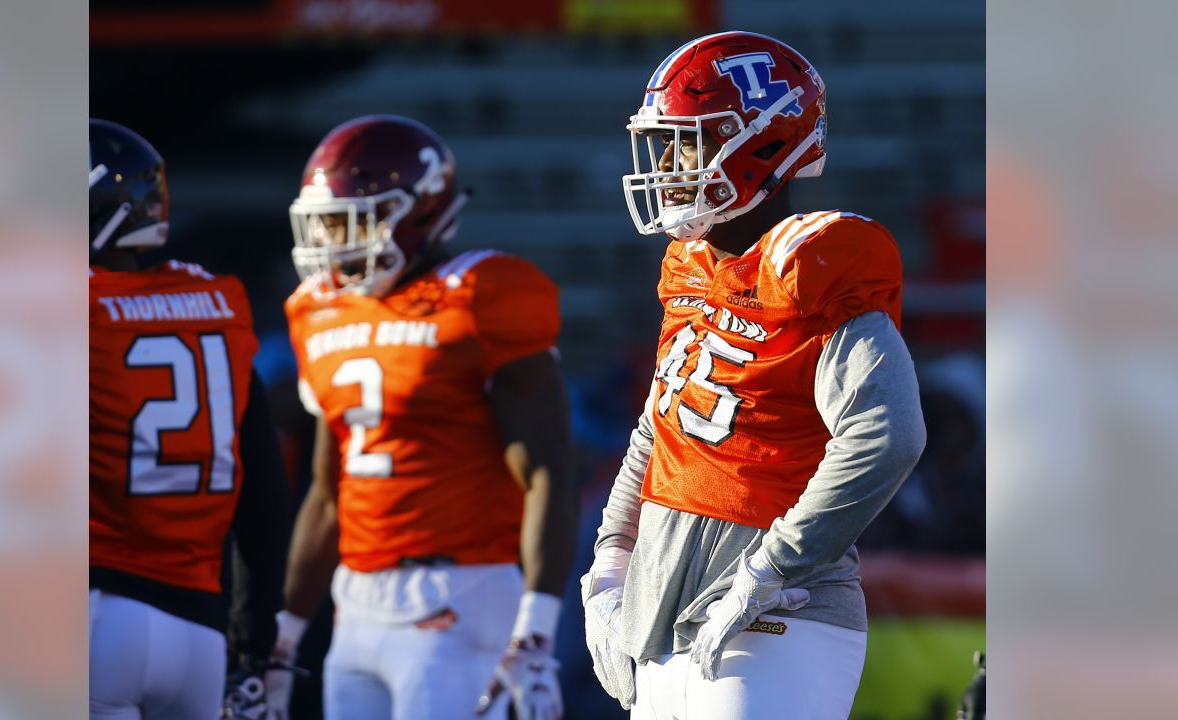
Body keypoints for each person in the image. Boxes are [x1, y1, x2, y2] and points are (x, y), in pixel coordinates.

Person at [582, 32, 927, 719]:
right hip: (663, 613)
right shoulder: (690, 265)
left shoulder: (815, 263)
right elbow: (658, 429)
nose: (670, 165)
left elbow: (887, 436)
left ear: (761, 145)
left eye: (690, 141)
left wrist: (771, 568)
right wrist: (609, 564)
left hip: (777, 614)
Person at [269, 114, 579, 720]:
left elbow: (547, 472)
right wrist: (284, 635)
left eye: (349, 222)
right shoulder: (315, 312)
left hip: (457, 597)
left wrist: (537, 630)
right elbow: (330, 495)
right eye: (325, 225)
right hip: (353, 606)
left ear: (417, 213)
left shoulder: (479, 295)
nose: (334, 243)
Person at [88, 119, 293, 720]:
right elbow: (264, 491)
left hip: (99, 613)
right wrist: (255, 636)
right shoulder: (218, 305)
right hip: (201, 632)